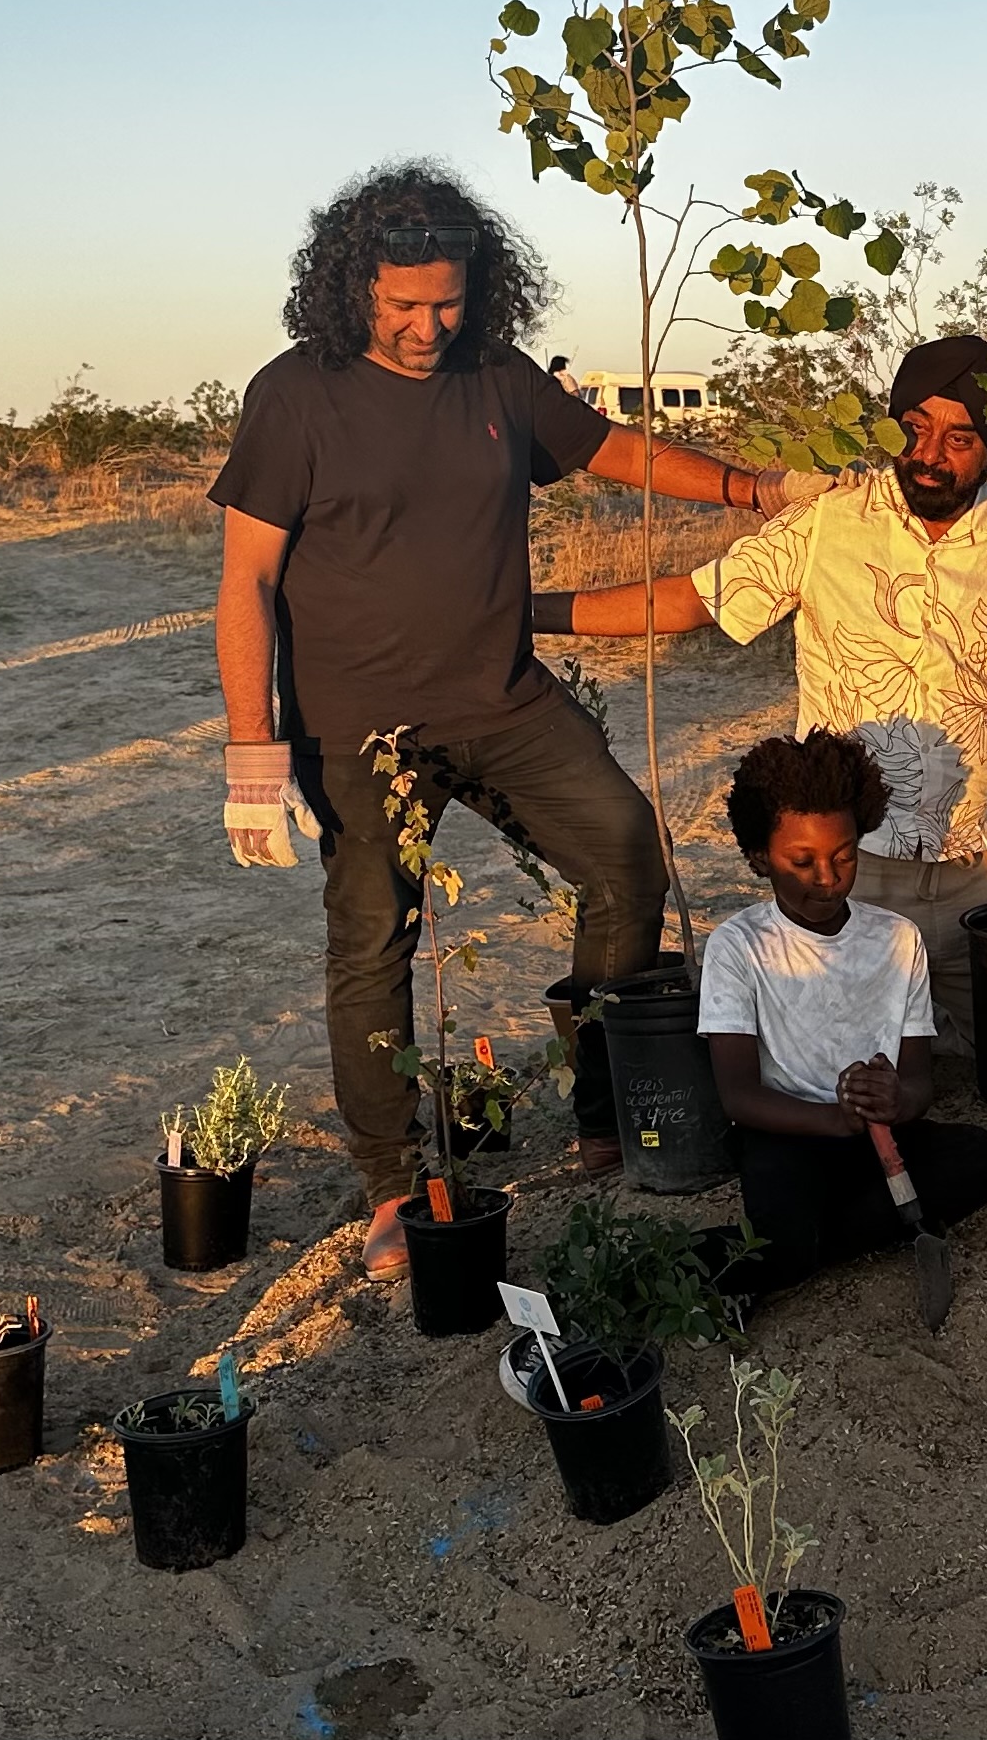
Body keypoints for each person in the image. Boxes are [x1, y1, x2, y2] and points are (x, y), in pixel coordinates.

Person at [210, 160, 821, 1281]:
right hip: (360, 735)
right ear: (350, 287)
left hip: (505, 700)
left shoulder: (495, 373)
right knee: (372, 943)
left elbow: (615, 451)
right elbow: (246, 577)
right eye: (402, 305)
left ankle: (605, 1109)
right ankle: (392, 1183)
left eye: (446, 302)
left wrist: (757, 490)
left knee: (625, 853)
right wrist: (253, 746)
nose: (426, 327)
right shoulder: (294, 395)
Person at [534, 335, 987, 1049]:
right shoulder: (830, 520)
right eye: (914, 429)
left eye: (959, 439)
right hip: (852, 877)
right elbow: (693, 600)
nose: (929, 454)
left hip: (986, 877)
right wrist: (521, 612)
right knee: (841, 1069)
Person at [698, 732, 987, 1300]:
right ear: (760, 857)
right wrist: (836, 1121)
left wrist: (895, 1100)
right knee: (789, 1219)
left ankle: (806, 1245)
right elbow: (739, 1097)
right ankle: (809, 1240)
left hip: (881, 1138)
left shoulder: (897, 938)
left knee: (979, 1158)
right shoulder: (738, 947)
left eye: (844, 856)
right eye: (802, 861)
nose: (827, 877)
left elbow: (918, 1084)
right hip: (787, 1134)